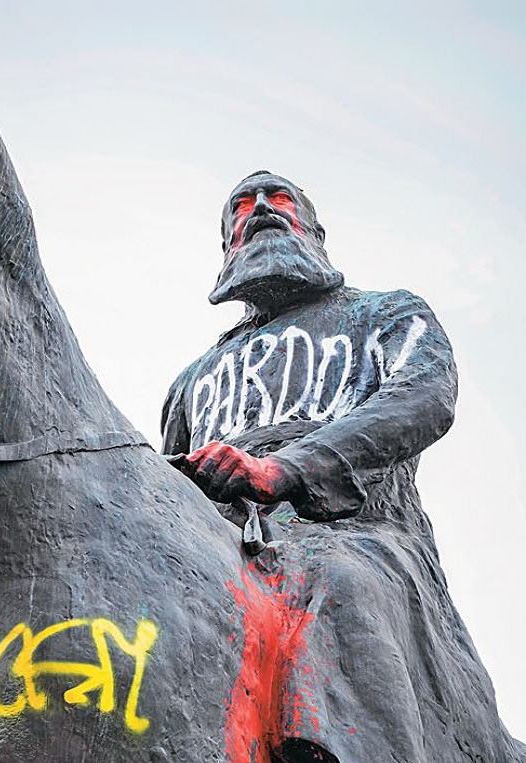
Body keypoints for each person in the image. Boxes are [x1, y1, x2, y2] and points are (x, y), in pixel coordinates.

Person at [162, 171, 526, 763]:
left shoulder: (385, 314)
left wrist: (284, 470)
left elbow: (425, 393)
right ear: (228, 243)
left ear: (314, 230)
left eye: (277, 198)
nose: (259, 210)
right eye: (241, 206)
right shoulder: (190, 382)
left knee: (335, 579)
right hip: (222, 545)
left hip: (354, 536)